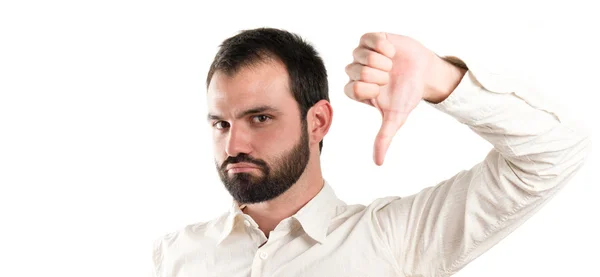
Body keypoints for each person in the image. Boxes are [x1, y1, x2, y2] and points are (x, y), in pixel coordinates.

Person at [152, 27, 591, 277]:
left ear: (318, 121)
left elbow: (553, 152)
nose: (234, 145)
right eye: (221, 123)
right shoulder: (176, 255)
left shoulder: (393, 239)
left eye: (260, 119)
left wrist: (440, 78)